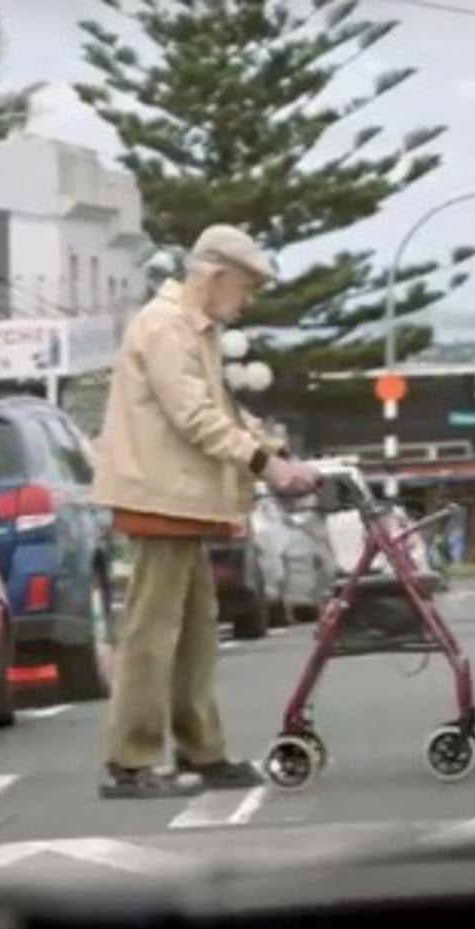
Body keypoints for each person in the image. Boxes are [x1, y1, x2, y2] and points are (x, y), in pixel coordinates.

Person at [90, 225, 321, 798]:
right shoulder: (166, 327)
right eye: (245, 287)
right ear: (215, 277)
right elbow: (194, 416)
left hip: (180, 499)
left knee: (195, 634)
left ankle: (203, 750)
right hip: (159, 496)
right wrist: (265, 464)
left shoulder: (194, 329)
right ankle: (130, 761)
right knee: (151, 633)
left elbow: (224, 411)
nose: (247, 302)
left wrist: (273, 451)